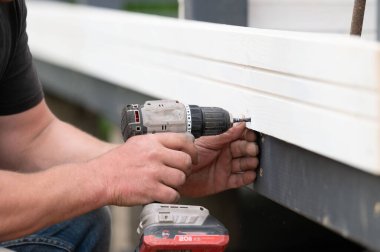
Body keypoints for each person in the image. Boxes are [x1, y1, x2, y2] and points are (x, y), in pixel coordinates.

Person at [0, 0, 259, 251]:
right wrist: (103, 177)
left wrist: (153, 166)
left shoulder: (8, 9)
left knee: (79, 221)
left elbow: (32, 137)